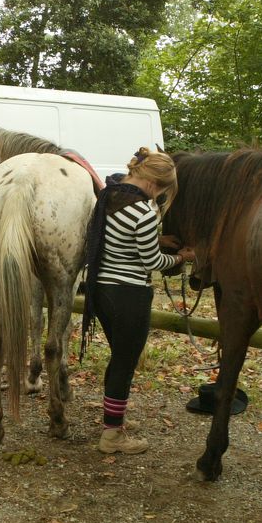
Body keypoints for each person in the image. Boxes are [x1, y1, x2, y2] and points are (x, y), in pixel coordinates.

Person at [80, 148, 195, 454]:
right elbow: (152, 262)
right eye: (163, 191)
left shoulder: (109, 196)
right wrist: (181, 256)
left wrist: (156, 239)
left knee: (119, 357)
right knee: (124, 362)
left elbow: (118, 240)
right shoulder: (144, 212)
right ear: (156, 185)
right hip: (129, 294)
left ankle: (112, 422)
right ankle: (112, 436)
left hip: (102, 290)